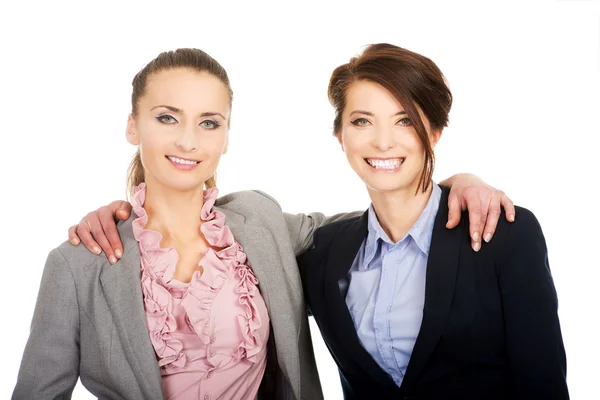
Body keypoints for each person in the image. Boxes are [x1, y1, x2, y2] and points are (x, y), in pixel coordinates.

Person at [20, 48, 513, 400]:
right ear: (133, 125)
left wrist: (457, 181)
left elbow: (380, 220)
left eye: (209, 122)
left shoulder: (259, 223)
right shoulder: (76, 265)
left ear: (227, 135)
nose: (189, 141)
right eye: (168, 118)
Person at [297, 43, 568, 399]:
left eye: (404, 120)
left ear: (435, 133)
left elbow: (543, 386)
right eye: (362, 121)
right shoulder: (321, 252)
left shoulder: (502, 235)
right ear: (340, 135)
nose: (382, 142)